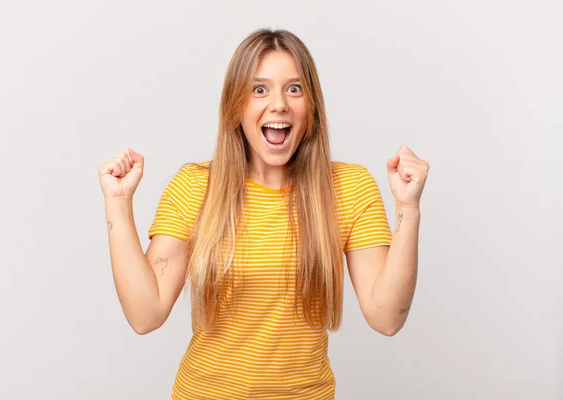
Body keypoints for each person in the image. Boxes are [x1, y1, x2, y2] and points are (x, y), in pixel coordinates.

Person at [98, 28, 429, 400]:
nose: (279, 104)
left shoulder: (348, 188)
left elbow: (386, 319)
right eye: (259, 89)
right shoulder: (195, 188)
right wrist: (118, 203)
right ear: (236, 106)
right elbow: (145, 315)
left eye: (294, 88)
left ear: (312, 106)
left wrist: (408, 207)